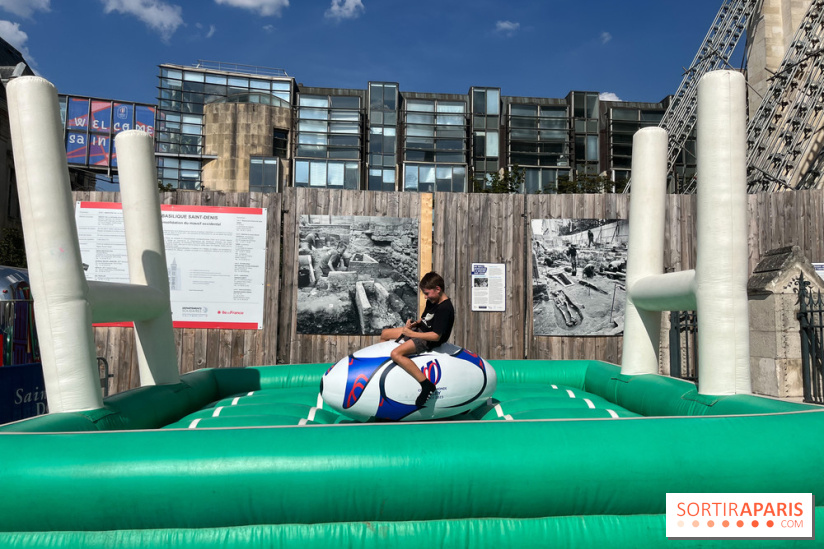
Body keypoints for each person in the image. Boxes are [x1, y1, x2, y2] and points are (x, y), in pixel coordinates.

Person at [380, 271, 455, 407]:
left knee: (395, 353)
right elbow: (426, 318)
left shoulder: (445, 308)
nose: (425, 297)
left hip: (428, 340)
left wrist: (411, 333)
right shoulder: (433, 300)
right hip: (419, 331)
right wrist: (415, 324)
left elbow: (435, 335)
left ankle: (426, 385)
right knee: (385, 333)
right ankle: (383, 369)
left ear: (438, 289)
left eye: (427, 293)